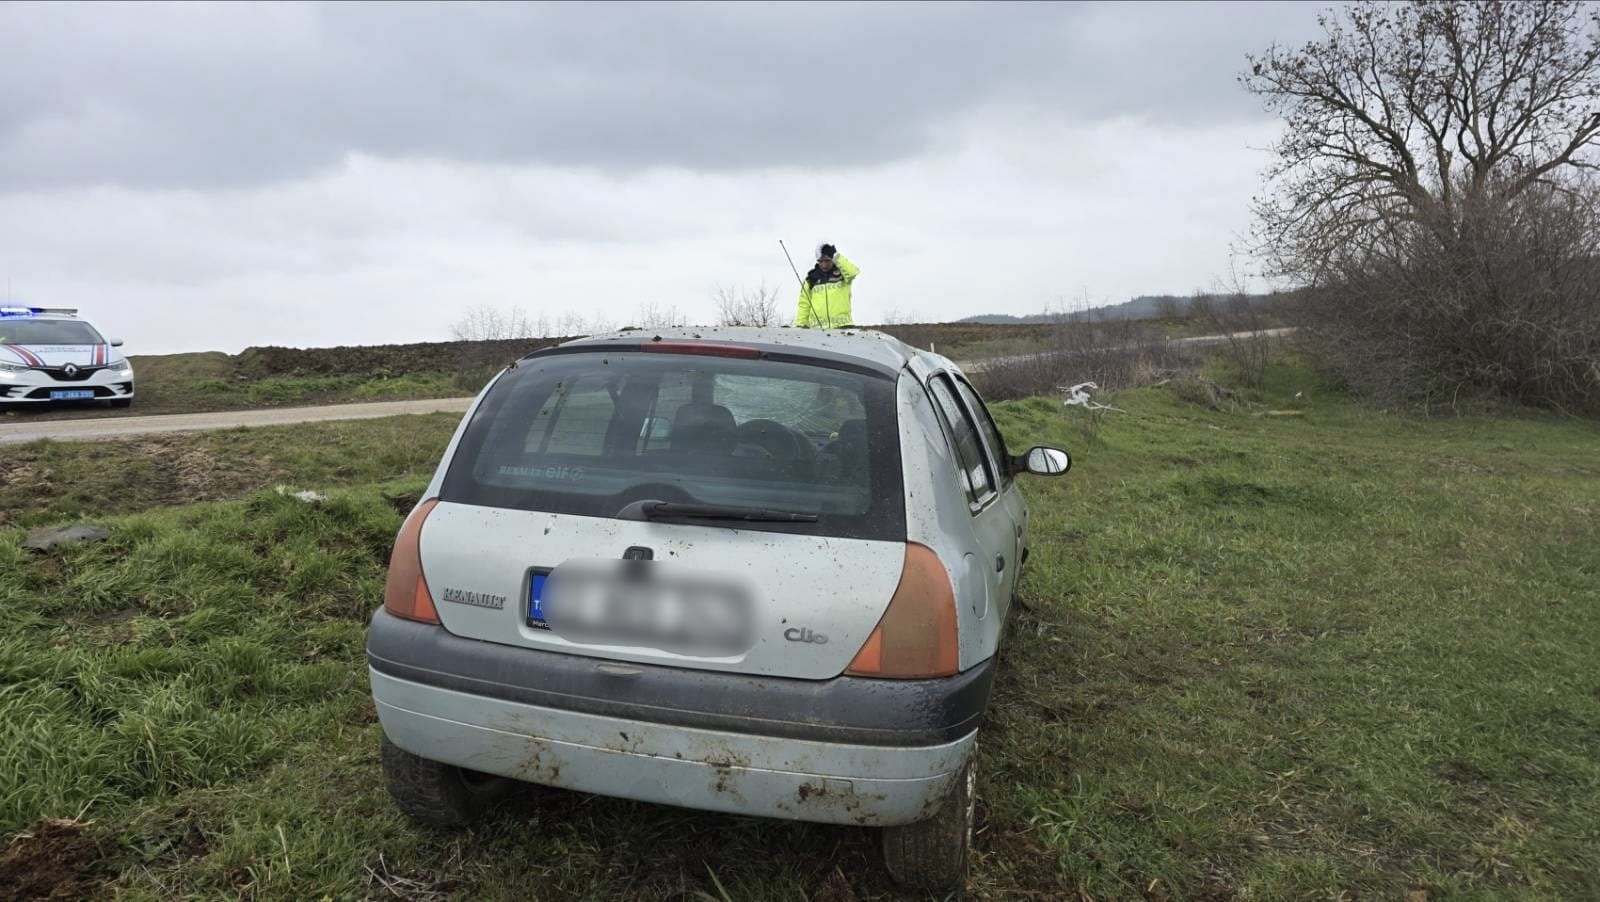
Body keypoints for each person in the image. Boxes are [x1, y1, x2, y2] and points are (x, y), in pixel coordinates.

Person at [795, 243, 858, 329]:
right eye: (820, 261)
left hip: (843, 328)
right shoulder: (811, 279)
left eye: (827, 261)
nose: (824, 265)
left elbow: (853, 272)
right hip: (817, 331)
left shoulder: (843, 275)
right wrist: (800, 325)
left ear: (833, 259)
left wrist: (836, 255)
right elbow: (804, 304)